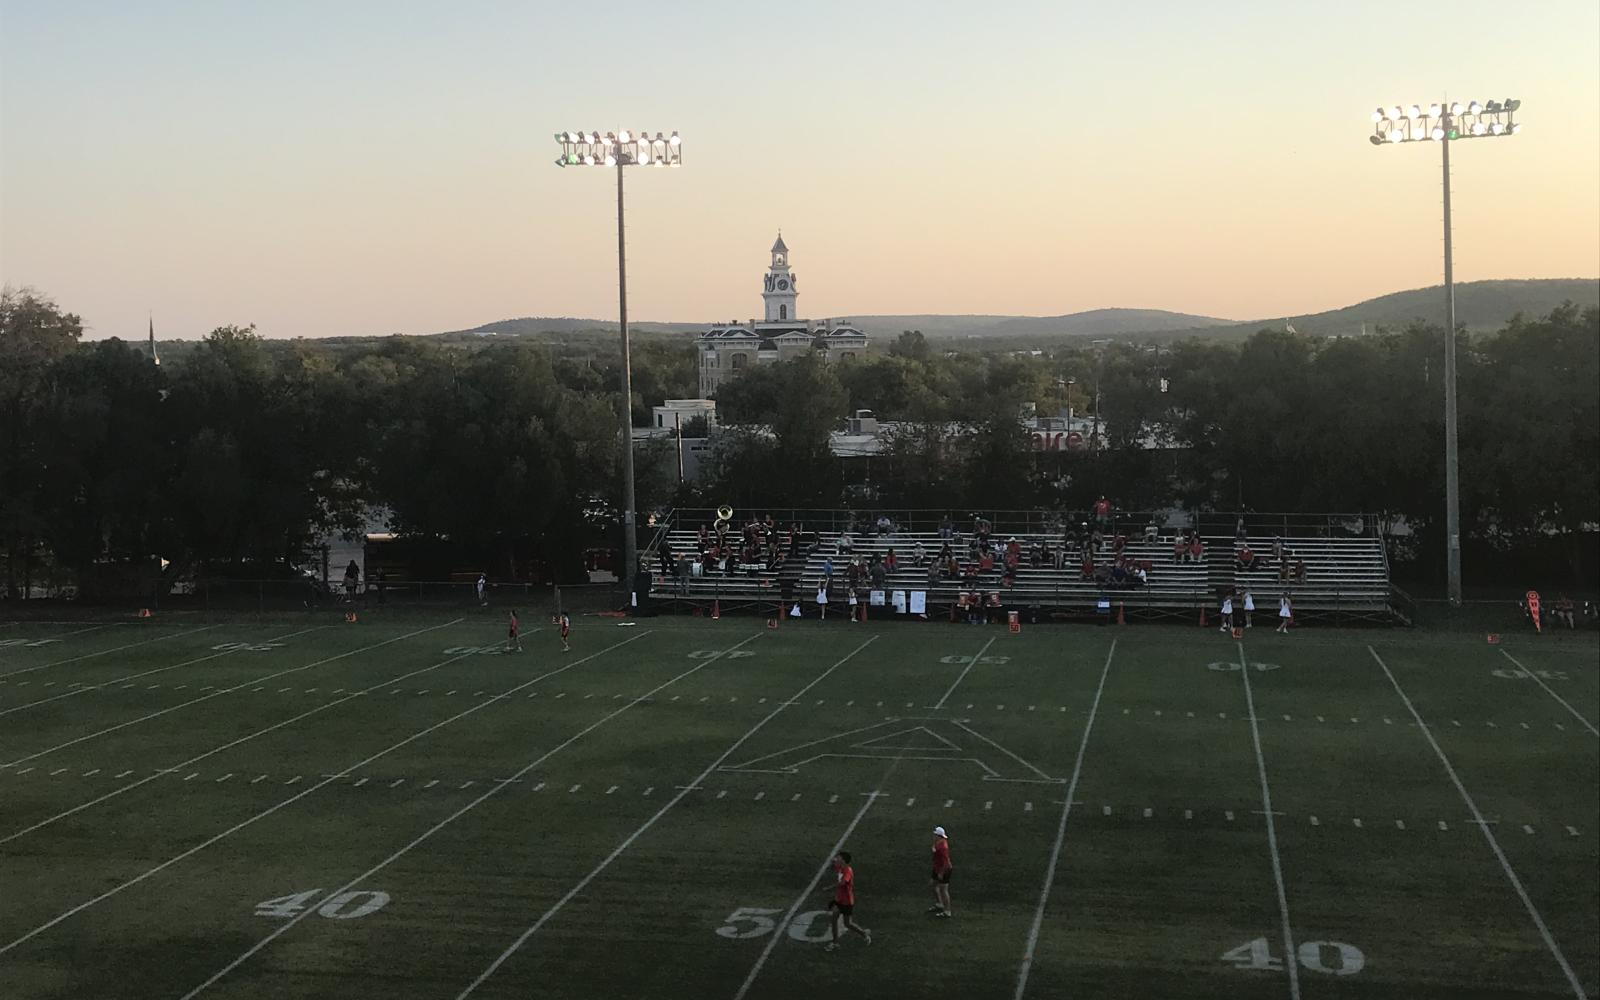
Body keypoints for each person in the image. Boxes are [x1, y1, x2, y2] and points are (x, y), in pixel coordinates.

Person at [824, 850, 871, 951]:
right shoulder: (840, 867)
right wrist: (831, 863)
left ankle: (863, 934)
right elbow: (833, 868)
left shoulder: (848, 870)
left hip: (846, 902)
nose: (837, 858)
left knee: (847, 923)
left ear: (843, 860)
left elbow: (842, 883)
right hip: (839, 900)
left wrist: (829, 888)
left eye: (839, 857)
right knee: (833, 919)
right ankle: (835, 943)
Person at [927, 826, 953, 917]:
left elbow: (946, 862)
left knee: (943, 890)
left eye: (935, 834)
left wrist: (941, 873)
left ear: (938, 835)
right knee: (932, 885)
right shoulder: (938, 842)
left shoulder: (943, 847)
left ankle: (947, 911)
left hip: (944, 869)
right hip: (937, 868)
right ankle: (939, 903)